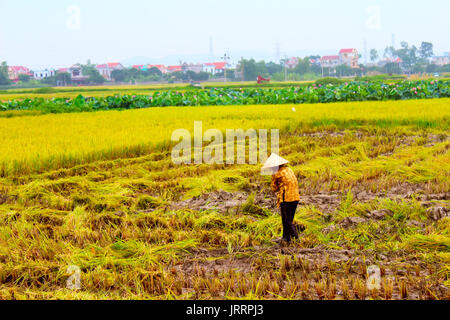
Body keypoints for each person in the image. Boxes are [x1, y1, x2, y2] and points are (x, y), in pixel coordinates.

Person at [262, 153, 304, 243]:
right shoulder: (289, 169)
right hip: (295, 197)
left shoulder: (276, 173)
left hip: (286, 198)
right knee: (289, 219)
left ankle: (297, 239)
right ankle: (285, 238)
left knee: (287, 221)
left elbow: (274, 189)